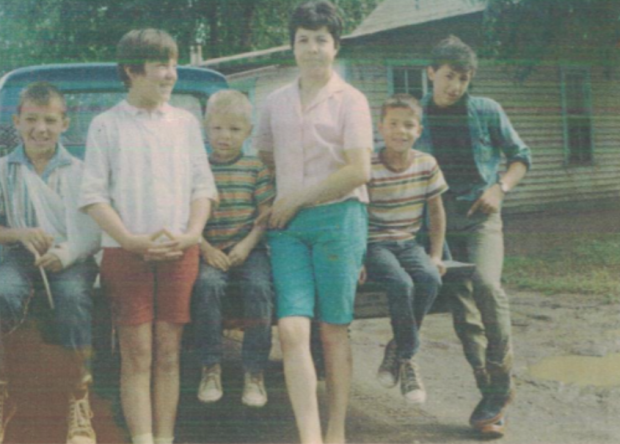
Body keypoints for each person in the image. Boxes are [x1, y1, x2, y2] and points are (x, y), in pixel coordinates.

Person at [79, 29, 218, 444]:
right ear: (132, 70)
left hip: (180, 253)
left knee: (169, 353)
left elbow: (202, 187)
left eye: (173, 65)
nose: (171, 74)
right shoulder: (106, 125)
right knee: (136, 355)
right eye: (162, 65)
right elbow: (93, 197)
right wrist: (131, 240)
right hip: (126, 255)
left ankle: (165, 438)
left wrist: (192, 234)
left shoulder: (186, 123)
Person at [253, 1, 372, 442]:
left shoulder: (351, 101)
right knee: (290, 327)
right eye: (303, 40)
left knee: (332, 329)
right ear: (293, 46)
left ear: (335, 46)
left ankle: (336, 430)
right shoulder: (275, 101)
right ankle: (310, 436)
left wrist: (298, 196)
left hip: (339, 220)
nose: (312, 48)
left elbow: (359, 170)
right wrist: (286, 196)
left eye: (321, 40)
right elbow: (266, 154)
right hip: (288, 229)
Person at [416, 35, 532, 438]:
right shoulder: (415, 119)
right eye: (449, 76)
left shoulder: (486, 111)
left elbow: (521, 156)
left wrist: (500, 188)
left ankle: (501, 381)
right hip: (440, 225)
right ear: (431, 73)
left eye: (464, 78)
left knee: (486, 285)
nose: (456, 86)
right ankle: (491, 400)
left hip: (482, 217)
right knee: (463, 314)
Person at [0, 82, 101, 444]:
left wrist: (65, 254)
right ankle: (3, 390)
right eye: (31, 119)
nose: (39, 128)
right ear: (16, 121)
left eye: (48, 120)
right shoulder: (4, 169)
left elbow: (92, 233)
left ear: (64, 124)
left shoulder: (79, 170)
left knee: (73, 298)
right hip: (18, 254)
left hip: (69, 255)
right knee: (3, 291)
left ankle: (79, 398)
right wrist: (19, 234)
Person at [193, 90, 275, 408]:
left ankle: (254, 371)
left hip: (248, 247)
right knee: (206, 285)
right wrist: (204, 249)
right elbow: (186, 215)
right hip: (209, 247)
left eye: (234, 129)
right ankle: (210, 366)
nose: (225, 136)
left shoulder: (255, 168)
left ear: (248, 132)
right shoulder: (197, 167)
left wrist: (247, 244)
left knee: (258, 287)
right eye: (217, 128)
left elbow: (265, 214)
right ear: (206, 127)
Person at [365, 93, 448, 404]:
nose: (401, 131)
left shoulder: (427, 163)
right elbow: (356, 211)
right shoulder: (369, 164)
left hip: (409, 242)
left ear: (419, 130)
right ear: (381, 128)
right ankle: (409, 358)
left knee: (430, 278)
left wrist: (436, 254)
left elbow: (437, 211)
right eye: (394, 124)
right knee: (400, 283)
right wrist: (357, 257)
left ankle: (397, 348)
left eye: (408, 125)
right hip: (374, 244)